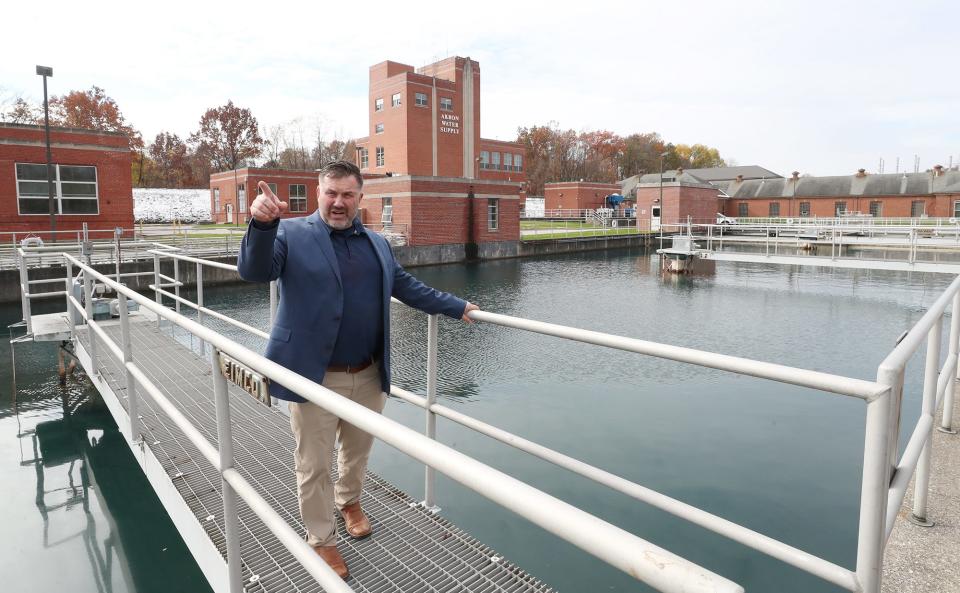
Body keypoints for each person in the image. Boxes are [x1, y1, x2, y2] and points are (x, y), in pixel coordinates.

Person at [237, 160, 478, 580]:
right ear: (318, 194)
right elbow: (254, 271)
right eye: (331, 193)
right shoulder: (291, 234)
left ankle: (349, 501)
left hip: (368, 373)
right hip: (313, 375)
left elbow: (406, 287)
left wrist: (456, 307)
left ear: (360, 198)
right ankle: (322, 540)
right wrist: (260, 226)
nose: (338, 202)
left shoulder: (378, 243)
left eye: (348, 195)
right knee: (313, 463)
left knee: (357, 449)